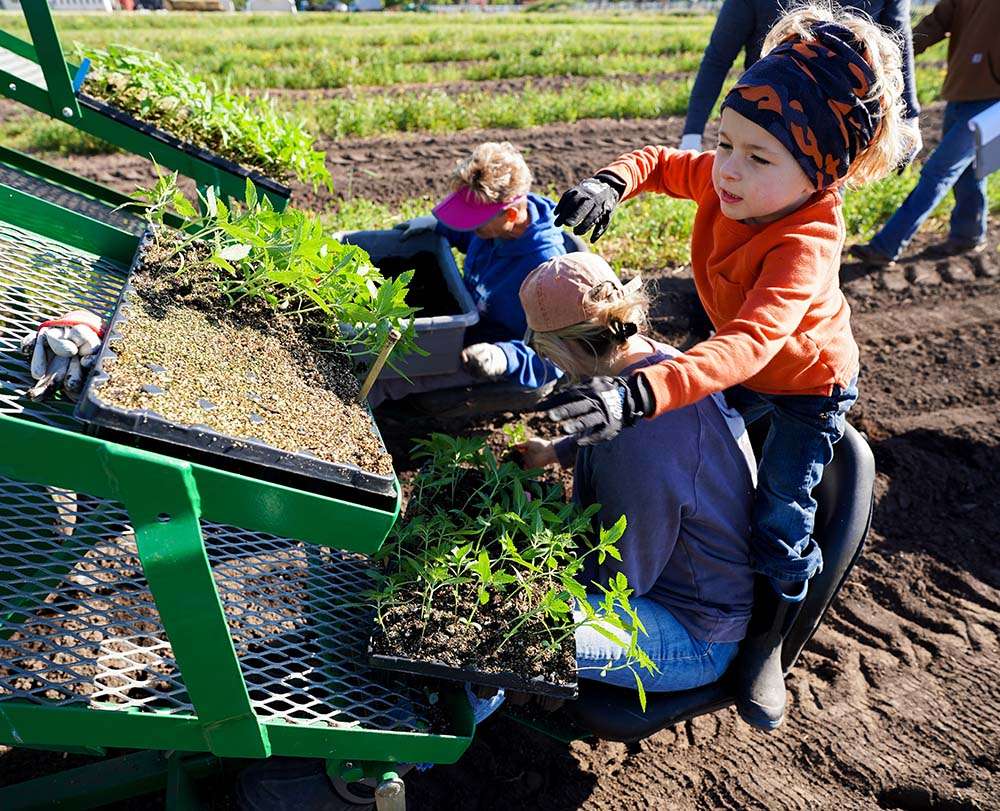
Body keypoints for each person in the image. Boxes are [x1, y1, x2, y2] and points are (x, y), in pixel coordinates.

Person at [546, 4, 915, 729]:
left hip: (805, 385)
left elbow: (749, 343)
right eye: (725, 143)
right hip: (738, 356)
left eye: (757, 157)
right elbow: (658, 161)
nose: (729, 171)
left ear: (820, 174)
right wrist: (611, 182)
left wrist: (642, 394)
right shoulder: (732, 178)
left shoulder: (806, 240)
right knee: (700, 463)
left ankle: (767, 645)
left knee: (778, 520)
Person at [515, 252, 757, 694]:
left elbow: (620, 582)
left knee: (510, 627)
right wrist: (553, 452)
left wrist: (530, 559)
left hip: (692, 629)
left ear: (568, 348)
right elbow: (611, 418)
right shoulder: (655, 364)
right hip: (678, 584)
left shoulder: (641, 449)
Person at [369, 141, 566, 408]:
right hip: (465, 323)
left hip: (487, 352)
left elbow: (559, 356)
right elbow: (464, 233)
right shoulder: (497, 229)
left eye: (475, 221)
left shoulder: (547, 271)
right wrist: (439, 227)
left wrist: (505, 356)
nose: (470, 227)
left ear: (509, 214)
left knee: (384, 379)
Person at [850, 0, 1000, 265]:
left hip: (992, 101)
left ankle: (886, 246)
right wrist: (891, 56)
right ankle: (969, 234)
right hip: (959, 92)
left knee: (938, 171)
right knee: (968, 170)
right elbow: (934, 24)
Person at [680, 0, 921, 162]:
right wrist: (692, 132)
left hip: (831, 128)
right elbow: (718, 58)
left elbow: (898, 39)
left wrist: (909, 115)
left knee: (814, 218)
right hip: (768, 123)